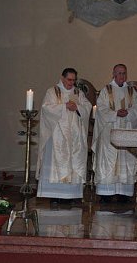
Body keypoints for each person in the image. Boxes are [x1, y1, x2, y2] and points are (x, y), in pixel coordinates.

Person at [37, 68, 92, 207]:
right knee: (57, 164)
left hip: (74, 136)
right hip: (57, 136)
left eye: (74, 80)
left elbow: (87, 107)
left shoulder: (78, 93)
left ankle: (71, 195)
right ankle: (54, 196)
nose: (71, 82)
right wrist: (64, 106)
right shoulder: (52, 91)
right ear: (62, 78)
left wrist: (78, 108)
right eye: (69, 80)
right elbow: (46, 108)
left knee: (74, 162)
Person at [93, 64, 137, 203]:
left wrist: (128, 113)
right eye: (119, 73)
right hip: (109, 131)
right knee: (108, 159)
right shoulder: (106, 91)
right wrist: (115, 114)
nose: (122, 76)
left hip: (126, 130)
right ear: (113, 74)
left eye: (124, 73)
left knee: (125, 159)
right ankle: (106, 194)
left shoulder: (131, 91)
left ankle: (124, 194)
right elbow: (101, 109)